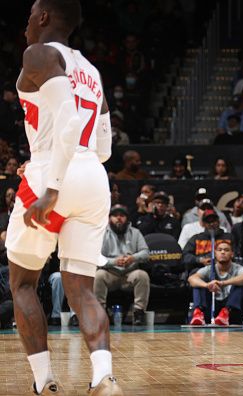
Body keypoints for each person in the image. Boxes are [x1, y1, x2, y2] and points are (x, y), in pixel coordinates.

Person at [6, 1, 122, 394]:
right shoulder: (91, 70)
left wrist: (52, 187)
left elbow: (69, 121)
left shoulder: (38, 53)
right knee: (81, 288)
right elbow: (104, 146)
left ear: (43, 18)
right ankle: (104, 376)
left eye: (28, 16)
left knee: (22, 283)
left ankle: (45, 382)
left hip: (53, 174)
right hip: (93, 175)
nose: (25, 25)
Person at [94, 204, 150, 326]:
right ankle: (100, 312)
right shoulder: (102, 232)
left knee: (142, 275)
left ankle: (139, 312)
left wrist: (133, 258)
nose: (119, 218)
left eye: (122, 215)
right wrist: (113, 261)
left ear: (127, 218)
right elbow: (96, 256)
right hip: (110, 272)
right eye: (115, 215)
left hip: (129, 273)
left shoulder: (135, 232)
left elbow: (146, 253)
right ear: (109, 218)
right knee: (98, 275)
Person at [187, 241, 243, 325]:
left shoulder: (239, 268)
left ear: (232, 254)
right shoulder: (209, 268)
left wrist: (222, 283)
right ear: (215, 254)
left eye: (226, 250)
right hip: (212, 308)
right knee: (198, 284)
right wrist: (207, 285)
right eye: (220, 250)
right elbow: (191, 278)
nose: (223, 252)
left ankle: (225, 313)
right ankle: (198, 313)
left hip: (233, 311)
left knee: (240, 285)